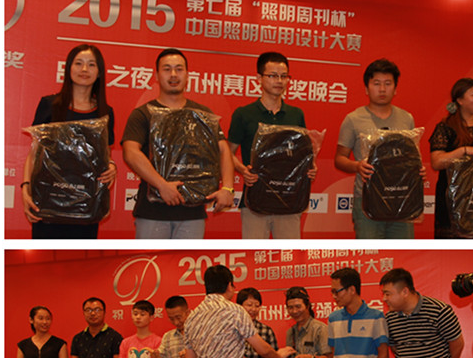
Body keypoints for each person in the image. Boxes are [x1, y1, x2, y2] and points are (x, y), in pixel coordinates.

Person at [121, 47, 235, 238]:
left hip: (193, 213)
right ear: (157, 76)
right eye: (167, 69)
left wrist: (228, 188)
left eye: (179, 69)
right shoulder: (143, 113)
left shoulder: (202, 115)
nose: (173, 74)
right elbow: (130, 152)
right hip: (153, 212)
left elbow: (223, 150)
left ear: (187, 75)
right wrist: (161, 185)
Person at [21, 43, 116, 239]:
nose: (84, 69)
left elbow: (105, 156)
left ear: (99, 72)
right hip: (49, 200)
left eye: (91, 64)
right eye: (78, 63)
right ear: (68, 68)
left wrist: (112, 167)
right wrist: (25, 187)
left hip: (85, 204)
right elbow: (35, 153)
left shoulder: (105, 112)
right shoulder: (50, 105)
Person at [228, 51, 315, 239]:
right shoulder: (244, 114)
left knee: (289, 254)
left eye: (284, 76)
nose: (279, 81)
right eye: (273, 75)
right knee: (254, 253)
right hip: (255, 200)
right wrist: (243, 171)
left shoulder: (296, 114)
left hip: (289, 200)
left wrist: (309, 169)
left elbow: (302, 154)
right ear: (259, 78)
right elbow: (227, 153)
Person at [335, 57, 423, 239]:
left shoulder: (407, 119)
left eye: (388, 84)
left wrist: (417, 170)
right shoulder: (353, 119)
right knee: (370, 250)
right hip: (368, 199)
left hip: (402, 198)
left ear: (395, 88)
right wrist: (358, 166)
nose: (382, 89)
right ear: (366, 88)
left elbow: (412, 157)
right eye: (376, 83)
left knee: (402, 251)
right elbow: (339, 158)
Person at [429, 78, 473, 238]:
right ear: (460, 100)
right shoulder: (445, 127)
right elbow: (437, 162)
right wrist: (464, 150)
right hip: (453, 200)